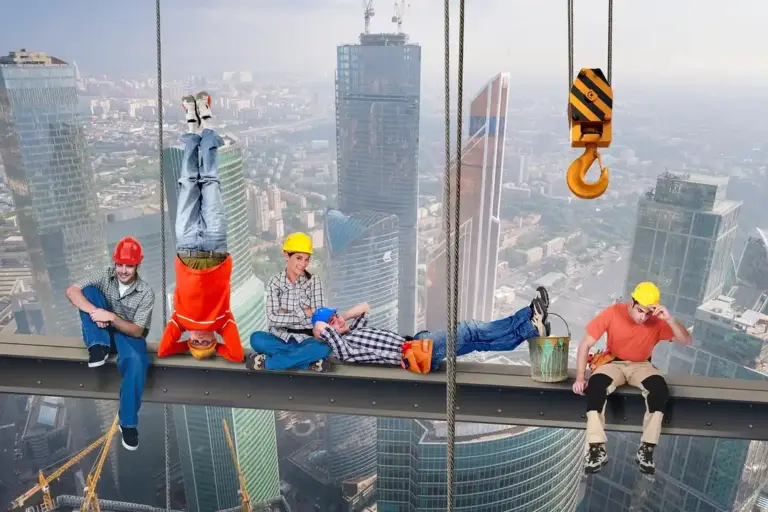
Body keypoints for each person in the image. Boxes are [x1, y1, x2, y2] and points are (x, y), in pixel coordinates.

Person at [158, 92, 244, 363]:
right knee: (209, 182)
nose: (201, 338)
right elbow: (237, 353)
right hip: (216, 247)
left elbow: (163, 350)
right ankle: (206, 123)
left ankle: (192, 129)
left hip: (186, 247)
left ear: (188, 340)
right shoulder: (222, 323)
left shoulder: (180, 322)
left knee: (187, 183)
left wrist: (185, 345)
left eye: (197, 343)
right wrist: (217, 346)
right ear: (215, 340)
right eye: (206, 343)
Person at [572, 281, 692, 476]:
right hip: (613, 363)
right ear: (632, 302)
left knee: (659, 390)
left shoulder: (657, 321)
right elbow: (585, 344)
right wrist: (579, 377)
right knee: (595, 387)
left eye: (647, 313)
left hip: (641, 365)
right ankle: (596, 449)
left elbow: (686, 340)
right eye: (640, 311)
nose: (643, 317)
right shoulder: (613, 312)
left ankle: (647, 449)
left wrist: (669, 319)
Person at [310, 287, 551, 372]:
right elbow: (323, 330)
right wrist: (323, 325)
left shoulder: (354, 332)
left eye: (336, 317)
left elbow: (364, 307)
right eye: (333, 322)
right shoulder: (345, 350)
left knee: (477, 340)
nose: (338, 322)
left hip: (418, 344)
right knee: (467, 329)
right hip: (415, 353)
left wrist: (340, 316)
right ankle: (528, 315)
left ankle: (531, 330)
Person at [65, 236, 155, 451]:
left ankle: (128, 423)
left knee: (136, 361)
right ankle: (97, 346)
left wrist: (111, 317)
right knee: (89, 292)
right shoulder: (104, 275)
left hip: (128, 335)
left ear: (137, 266)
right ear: (115, 263)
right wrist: (97, 313)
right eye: (120, 264)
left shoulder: (146, 293)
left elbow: (137, 330)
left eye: (129, 266)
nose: (123, 270)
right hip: (102, 330)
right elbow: (72, 291)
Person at [246, 232, 332, 372]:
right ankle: (307, 363)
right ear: (286, 255)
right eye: (299, 258)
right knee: (256, 339)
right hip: (280, 338)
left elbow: (318, 320)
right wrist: (304, 312)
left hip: (306, 340)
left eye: (306, 259)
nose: (303, 264)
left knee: (326, 346)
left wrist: (285, 314)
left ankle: (268, 363)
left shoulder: (314, 281)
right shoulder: (275, 282)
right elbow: (273, 319)